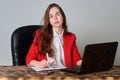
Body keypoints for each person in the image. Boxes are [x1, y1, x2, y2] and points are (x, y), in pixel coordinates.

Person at [26, 3, 82, 68]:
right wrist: (38, 64)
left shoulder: (71, 37)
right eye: (51, 16)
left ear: (63, 17)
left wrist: (86, 62)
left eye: (57, 14)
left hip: (65, 74)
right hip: (47, 75)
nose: (55, 18)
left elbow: (77, 60)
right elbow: (29, 59)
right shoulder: (40, 35)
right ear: (49, 20)